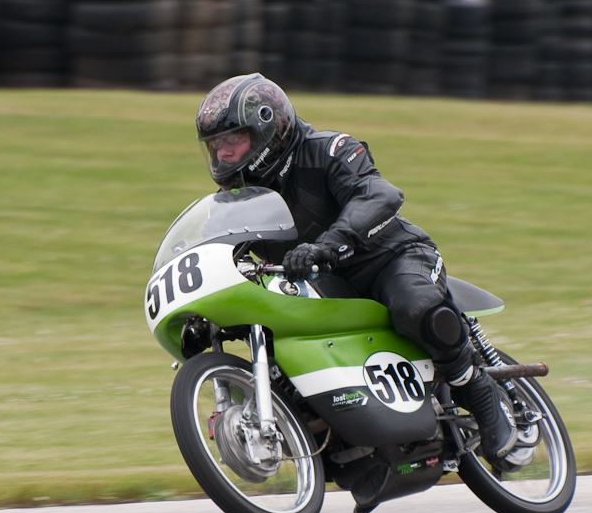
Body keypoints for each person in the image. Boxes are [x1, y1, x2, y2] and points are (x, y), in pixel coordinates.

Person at [195, 73, 528, 471]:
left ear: (267, 129)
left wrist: (327, 244)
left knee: (414, 307)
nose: (223, 154)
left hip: (390, 259)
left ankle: (480, 391)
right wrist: (203, 310)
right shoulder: (234, 202)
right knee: (279, 342)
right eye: (215, 146)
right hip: (322, 285)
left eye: (233, 141)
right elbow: (216, 252)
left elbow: (379, 195)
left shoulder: (329, 149)